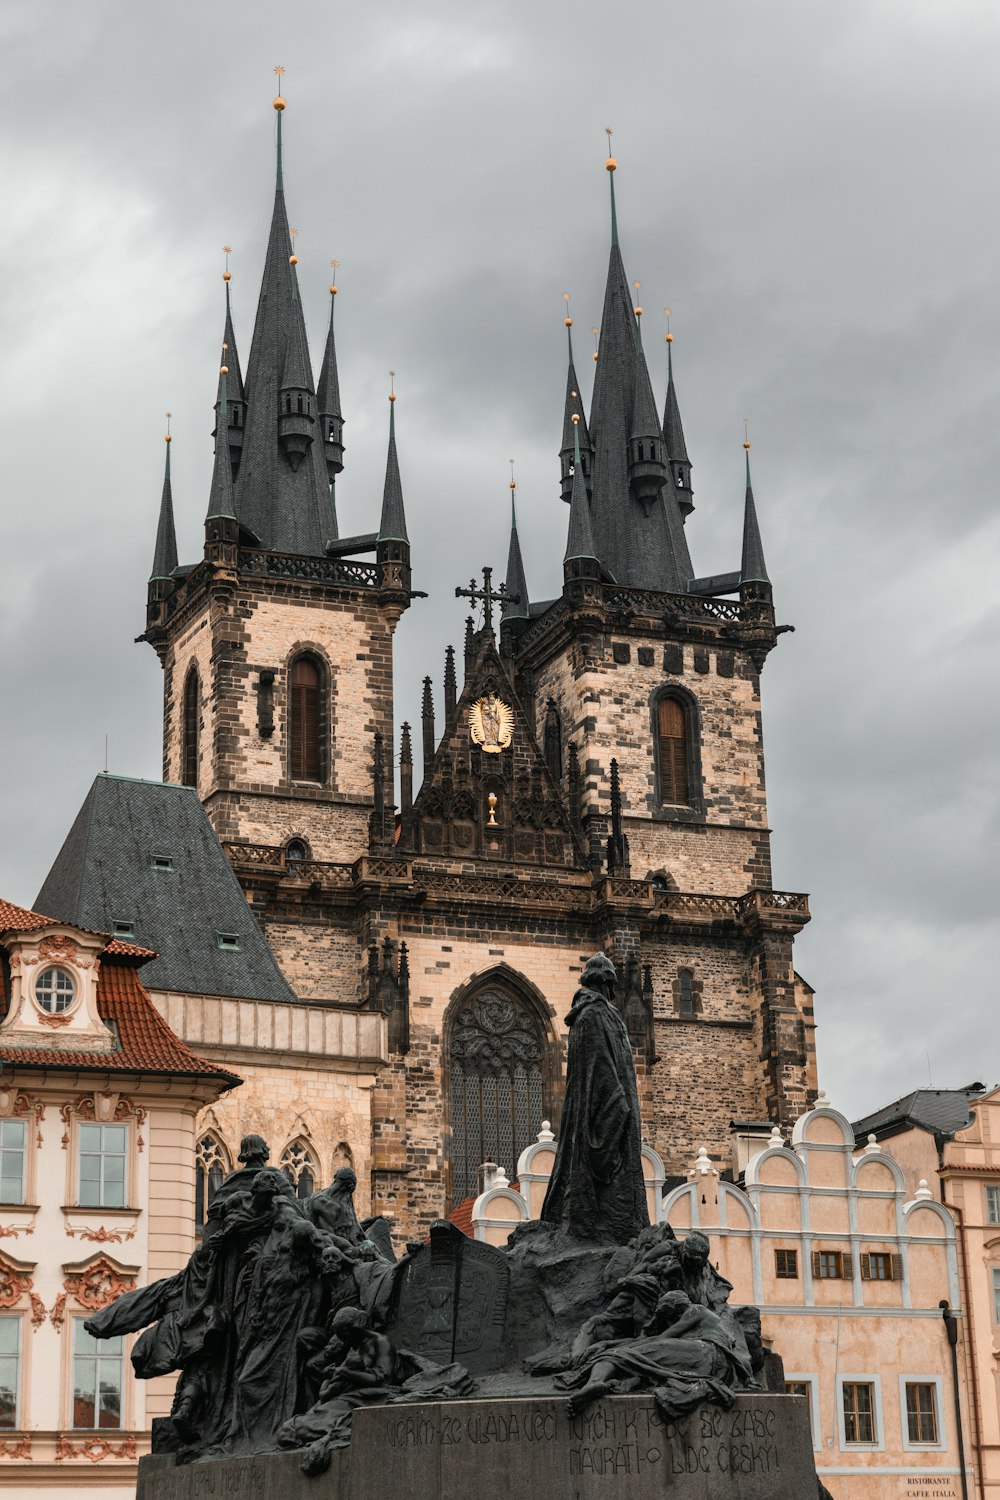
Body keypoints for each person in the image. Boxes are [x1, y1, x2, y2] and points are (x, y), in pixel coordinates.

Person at [540, 952, 648, 1242]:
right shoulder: (593, 1015)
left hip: (608, 1109)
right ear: (605, 983)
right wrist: (617, 1110)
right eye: (611, 985)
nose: (613, 992)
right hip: (605, 1113)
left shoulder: (599, 1014)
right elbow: (601, 1071)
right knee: (609, 1192)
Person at [558, 1288, 753, 1419]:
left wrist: (611, 1344)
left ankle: (595, 1381)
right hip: (714, 1366)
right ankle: (609, 1382)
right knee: (645, 1365)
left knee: (624, 1354)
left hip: (706, 1353)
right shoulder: (704, 1321)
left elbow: (662, 1338)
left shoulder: (695, 1310)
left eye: (669, 1314)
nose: (671, 1318)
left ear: (675, 1306)